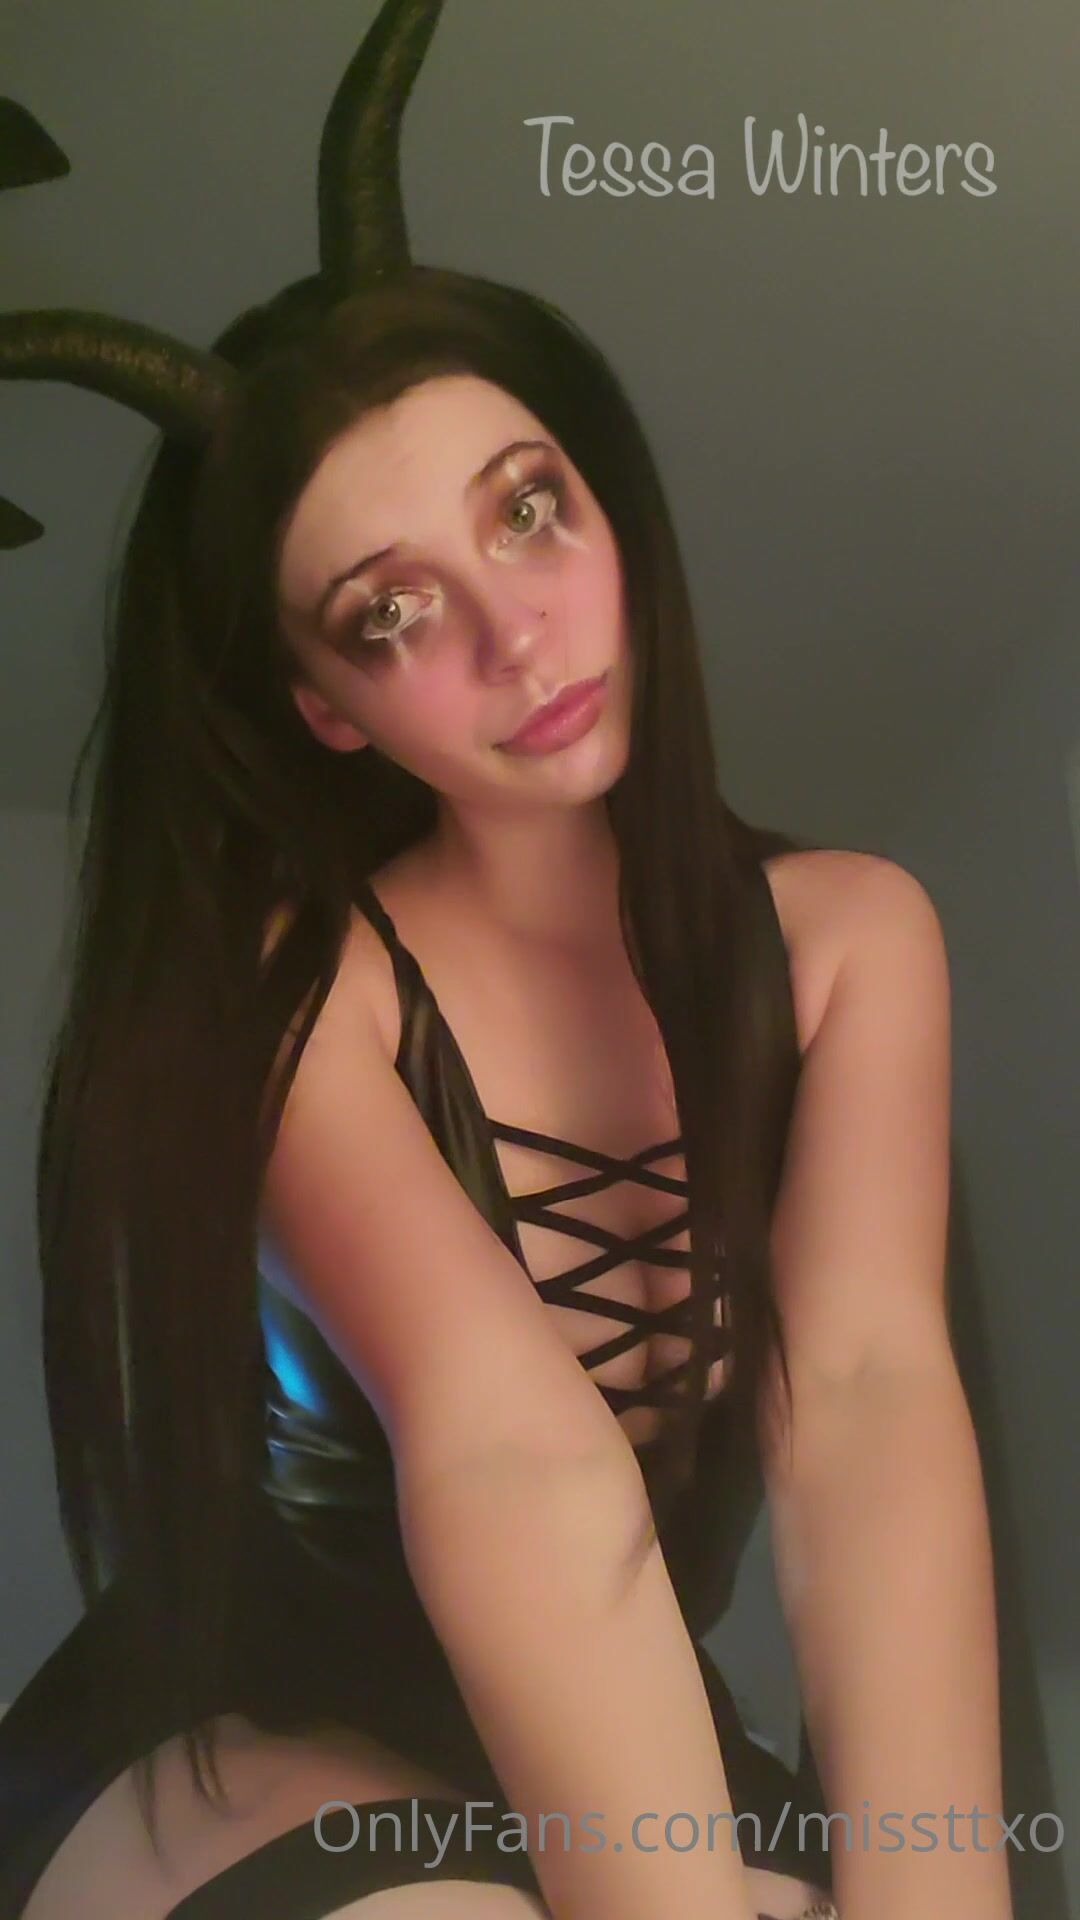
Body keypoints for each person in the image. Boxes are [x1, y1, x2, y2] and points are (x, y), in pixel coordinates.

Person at [1, 5, 1010, 1920]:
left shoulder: (855, 940)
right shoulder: (302, 991)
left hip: (628, 1726)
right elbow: (511, 1459)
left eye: (527, 508)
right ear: (326, 705)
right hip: (265, 1729)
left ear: (605, 493)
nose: (516, 634)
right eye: (392, 613)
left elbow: (871, 1410)